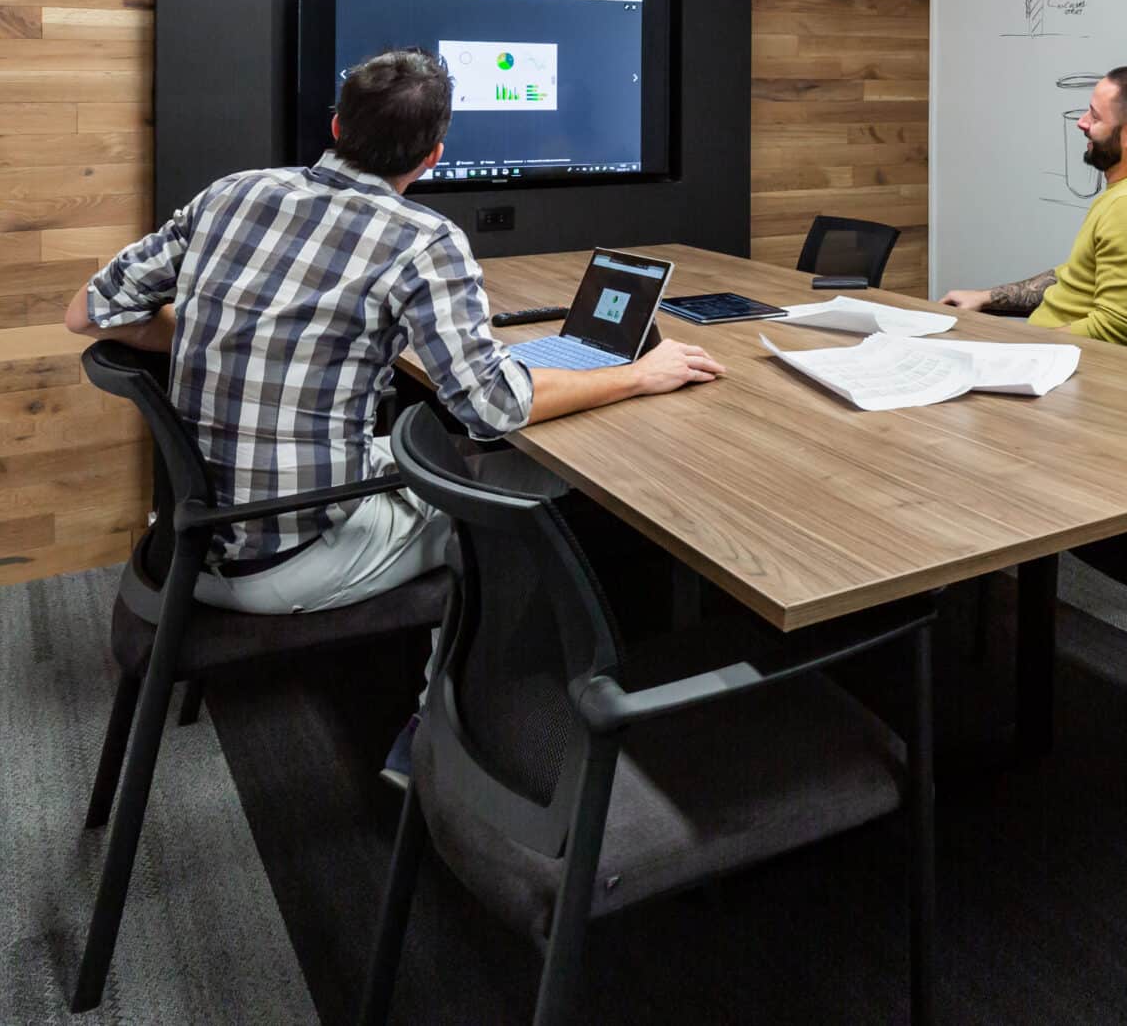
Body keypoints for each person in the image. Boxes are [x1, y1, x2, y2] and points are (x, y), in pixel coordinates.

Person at [62, 46, 721, 775]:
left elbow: (87, 311)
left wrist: (236, 327)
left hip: (188, 540)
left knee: (444, 456)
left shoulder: (233, 193)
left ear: (337, 124)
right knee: (494, 512)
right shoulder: (422, 240)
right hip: (282, 557)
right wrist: (636, 373)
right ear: (434, 156)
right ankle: (444, 750)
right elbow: (491, 407)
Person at [940, 65, 1127, 349]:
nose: (1081, 122)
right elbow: (1075, 277)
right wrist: (986, 297)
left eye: (1095, 117)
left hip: (1063, 374)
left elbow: (1116, 331)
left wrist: (1016, 344)